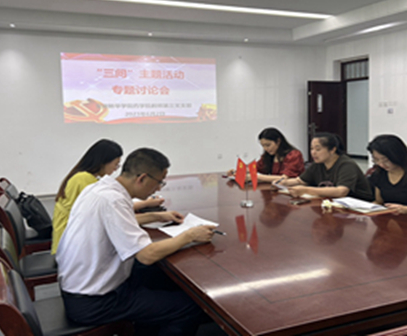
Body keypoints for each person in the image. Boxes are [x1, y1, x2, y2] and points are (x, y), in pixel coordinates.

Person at [56, 148, 215, 336]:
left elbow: (116, 221)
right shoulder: (113, 200)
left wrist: (157, 216)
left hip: (79, 286)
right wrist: (190, 235)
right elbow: (147, 255)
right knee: (190, 307)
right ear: (142, 178)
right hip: (95, 301)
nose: (159, 188)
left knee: (158, 277)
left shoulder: (99, 189)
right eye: (160, 182)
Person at [52, 139, 163, 254]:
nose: (116, 169)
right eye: (115, 164)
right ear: (103, 162)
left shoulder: (84, 177)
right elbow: (112, 209)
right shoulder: (86, 180)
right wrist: (148, 206)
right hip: (70, 245)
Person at [278, 133, 373, 201]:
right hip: (332, 204)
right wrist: (283, 183)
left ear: (332, 150)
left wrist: (306, 190)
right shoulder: (318, 164)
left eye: (318, 149)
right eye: (311, 149)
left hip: (358, 208)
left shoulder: (347, 165)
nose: (313, 153)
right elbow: (300, 181)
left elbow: (341, 191)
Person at [227, 127, 305, 183]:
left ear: (278, 141)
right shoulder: (269, 155)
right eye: (263, 146)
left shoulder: (293, 155)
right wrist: (237, 171)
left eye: (268, 145)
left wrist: (257, 177)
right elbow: (256, 167)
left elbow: (284, 179)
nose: (266, 149)